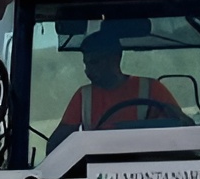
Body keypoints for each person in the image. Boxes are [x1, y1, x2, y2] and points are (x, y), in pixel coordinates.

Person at [51, 27, 183, 146]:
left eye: (94, 62)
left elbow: (183, 128)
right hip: (97, 167)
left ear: (115, 58)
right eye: (86, 64)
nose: (88, 70)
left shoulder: (151, 88)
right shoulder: (84, 96)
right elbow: (55, 146)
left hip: (146, 165)